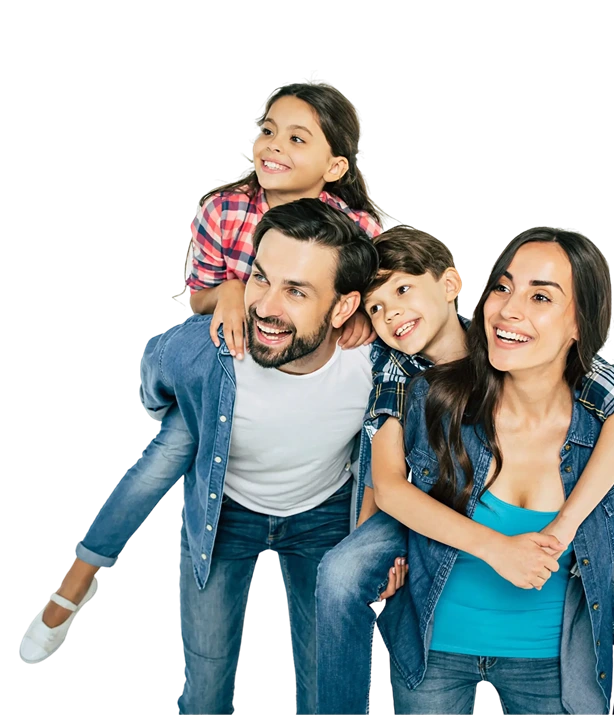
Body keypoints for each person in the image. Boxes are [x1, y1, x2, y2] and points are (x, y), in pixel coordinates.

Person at [19, 78, 382, 666]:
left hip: (303, 394)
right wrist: (234, 290)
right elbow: (197, 298)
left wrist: (363, 312)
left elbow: (386, 298)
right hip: (224, 364)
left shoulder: (358, 232)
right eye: (268, 131)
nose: (273, 146)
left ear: (335, 165)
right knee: (159, 461)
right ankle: (74, 585)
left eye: (297, 138)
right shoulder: (226, 210)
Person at [315, 226, 614, 715]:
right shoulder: (399, 374)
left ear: (450, 287)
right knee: (342, 572)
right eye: (375, 308)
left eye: (402, 291)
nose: (391, 314)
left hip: (557, 600)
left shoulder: (560, 375)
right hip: (415, 523)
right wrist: (378, 550)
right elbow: (388, 486)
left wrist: (601, 544)